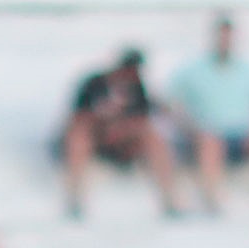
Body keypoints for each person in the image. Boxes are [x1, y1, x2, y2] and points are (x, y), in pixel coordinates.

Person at [169, 14, 249, 217]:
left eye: (228, 36)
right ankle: (212, 200)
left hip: (244, 135)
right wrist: (188, 127)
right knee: (210, 141)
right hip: (207, 133)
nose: (225, 41)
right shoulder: (191, 71)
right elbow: (172, 104)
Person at [60, 48, 182, 219]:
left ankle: (170, 199)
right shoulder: (94, 84)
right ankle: (74, 198)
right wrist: (105, 124)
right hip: (96, 138)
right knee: (78, 137)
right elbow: (77, 117)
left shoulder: (138, 88)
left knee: (154, 138)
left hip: (124, 141)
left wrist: (123, 128)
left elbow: (144, 118)